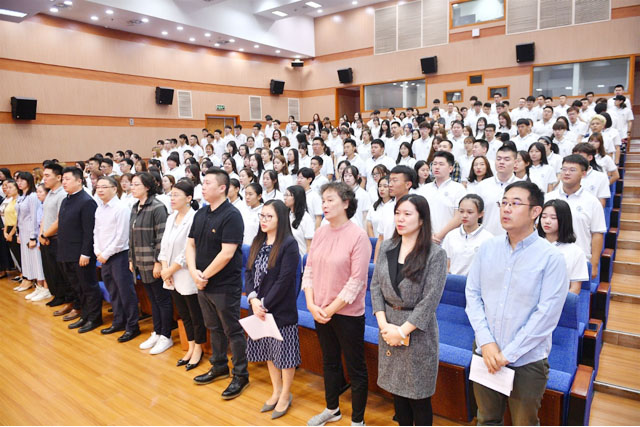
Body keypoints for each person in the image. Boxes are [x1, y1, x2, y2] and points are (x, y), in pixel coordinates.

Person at [466, 181, 568, 426]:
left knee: (524, 423)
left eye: (515, 203)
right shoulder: (488, 248)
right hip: (486, 351)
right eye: (504, 203)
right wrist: (486, 342)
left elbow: (546, 315)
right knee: (486, 419)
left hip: (527, 359)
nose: (506, 209)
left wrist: (507, 354)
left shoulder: (551, 258)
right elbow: (473, 295)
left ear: (535, 212)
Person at [370, 194, 447, 426]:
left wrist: (402, 332)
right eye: (397, 213)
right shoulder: (387, 246)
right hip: (388, 328)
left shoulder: (435, 254)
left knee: (418, 397)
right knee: (398, 396)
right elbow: (376, 286)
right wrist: (384, 325)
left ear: (422, 219)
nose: (400, 219)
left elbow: (430, 300)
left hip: (416, 332)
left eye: (407, 214)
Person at [303, 182, 371, 427]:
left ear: (346, 203)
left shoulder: (358, 236)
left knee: (355, 367)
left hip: (347, 313)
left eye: (330, 199)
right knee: (329, 362)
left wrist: (329, 309)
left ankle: (358, 420)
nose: (325, 204)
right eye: (323, 200)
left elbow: (357, 282)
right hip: (320, 310)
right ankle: (332, 409)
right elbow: (309, 270)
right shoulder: (321, 232)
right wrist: (311, 305)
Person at [187, 168, 249, 399]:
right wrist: (193, 272)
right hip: (202, 281)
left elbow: (227, 253)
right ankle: (219, 365)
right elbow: (190, 244)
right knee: (213, 326)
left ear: (222, 188)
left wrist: (203, 276)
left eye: (208, 183)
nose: (202, 187)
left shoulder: (232, 215)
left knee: (232, 329)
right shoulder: (201, 213)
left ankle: (241, 374)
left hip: (224, 284)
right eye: (202, 183)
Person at [245, 200, 300, 419]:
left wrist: (264, 304)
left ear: (281, 219)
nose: (264, 220)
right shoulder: (258, 240)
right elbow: (248, 272)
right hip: (258, 307)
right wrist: (253, 300)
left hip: (280, 309)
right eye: (262, 216)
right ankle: (276, 390)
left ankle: (285, 394)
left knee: (285, 355)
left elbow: (284, 280)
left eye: (269, 217)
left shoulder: (289, 244)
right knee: (269, 351)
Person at [157, 179, 206, 369]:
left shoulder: (194, 218)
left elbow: (188, 250)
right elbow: (164, 245)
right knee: (184, 314)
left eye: (176, 195)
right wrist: (165, 269)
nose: (172, 198)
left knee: (195, 315)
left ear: (188, 198)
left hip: (186, 273)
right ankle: (191, 346)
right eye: (171, 195)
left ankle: (199, 348)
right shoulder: (171, 217)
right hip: (171, 274)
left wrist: (170, 270)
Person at [93, 176, 141, 342]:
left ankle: (132, 326)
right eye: (98, 187)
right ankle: (119, 321)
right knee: (113, 290)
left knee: (125, 292)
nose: (100, 190)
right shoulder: (99, 208)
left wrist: (105, 254)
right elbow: (96, 232)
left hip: (119, 255)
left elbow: (122, 237)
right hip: (103, 255)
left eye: (104, 187)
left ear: (114, 189)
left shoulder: (121, 208)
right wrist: (98, 251)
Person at [129, 172, 172, 354]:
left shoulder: (157, 207)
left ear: (147, 187)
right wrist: (131, 258)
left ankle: (166, 335)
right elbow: (131, 236)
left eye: (136, 184)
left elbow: (161, 238)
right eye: (131, 184)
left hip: (153, 262)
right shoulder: (135, 207)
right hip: (139, 261)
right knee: (152, 300)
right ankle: (157, 331)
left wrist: (158, 262)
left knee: (162, 299)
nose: (132, 187)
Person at [546, 155, 605, 279]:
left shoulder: (592, 202)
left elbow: (597, 234)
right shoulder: (549, 198)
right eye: (564, 169)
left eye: (572, 170)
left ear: (583, 174)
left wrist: (594, 264)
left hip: (579, 260)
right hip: (548, 257)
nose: (567, 173)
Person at [58, 167, 102, 333]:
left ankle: (94, 318)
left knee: (88, 286)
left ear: (79, 181)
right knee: (77, 287)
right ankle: (85, 314)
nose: (64, 182)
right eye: (63, 179)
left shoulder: (86, 201)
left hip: (81, 254)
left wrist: (85, 253)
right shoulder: (66, 200)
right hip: (67, 252)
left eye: (67, 179)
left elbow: (89, 231)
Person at [38, 163, 72, 307]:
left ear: (58, 177)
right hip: (45, 238)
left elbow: (59, 219)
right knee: (50, 270)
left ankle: (66, 298)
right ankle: (57, 295)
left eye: (47, 176)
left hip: (56, 238)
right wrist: (41, 235)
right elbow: (44, 216)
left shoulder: (62, 194)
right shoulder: (50, 193)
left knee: (60, 271)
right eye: (43, 176)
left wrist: (46, 235)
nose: (44, 179)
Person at [538, 199, 588, 295]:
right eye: (543, 217)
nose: (547, 221)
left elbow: (575, 289)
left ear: (564, 220)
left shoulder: (576, 252)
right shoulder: (531, 245)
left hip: (558, 301)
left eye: (553, 218)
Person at [417, 151, 466, 243]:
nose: (437, 167)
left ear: (450, 169)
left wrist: (439, 236)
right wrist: (427, 235)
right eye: (434, 164)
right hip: (426, 238)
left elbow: (458, 217)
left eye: (441, 164)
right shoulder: (424, 189)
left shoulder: (458, 189)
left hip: (450, 240)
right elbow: (418, 214)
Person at [474, 144, 522, 235]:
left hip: (514, 237)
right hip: (487, 236)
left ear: (515, 163)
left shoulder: (522, 187)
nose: (501, 162)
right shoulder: (482, 185)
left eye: (506, 159)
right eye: (498, 159)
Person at [442, 195, 493, 275]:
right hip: (452, 280)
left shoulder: (488, 239)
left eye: (470, 212)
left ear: (480, 214)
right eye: (461, 211)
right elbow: (446, 265)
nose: (465, 215)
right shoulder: (451, 236)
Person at [15, 172, 46, 293]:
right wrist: (18, 233)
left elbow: (34, 217)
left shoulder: (33, 196)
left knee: (35, 258)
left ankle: (40, 285)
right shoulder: (21, 196)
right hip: (22, 231)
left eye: (22, 180)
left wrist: (33, 237)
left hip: (31, 231)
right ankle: (28, 279)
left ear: (29, 181)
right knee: (26, 258)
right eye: (18, 181)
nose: (19, 183)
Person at [284, 185, 314, 257]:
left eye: (288, 195)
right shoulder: (286, 214)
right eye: (285, 195)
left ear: (296, 197)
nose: (285, 198)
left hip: (300, 257)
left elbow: (309, 245)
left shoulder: (306, 218)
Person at [3, 180, 22, 286]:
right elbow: (6, 217)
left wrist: (11, 233)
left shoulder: (19, 201)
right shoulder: (10, 201)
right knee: (15, 253)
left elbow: (18, 220)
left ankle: (24, 274)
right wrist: (5, 231)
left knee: (19, 253)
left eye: (10, 187)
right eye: (7, 187)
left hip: (15, 229)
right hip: (8, 228)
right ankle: (21, 273)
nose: (8, 189)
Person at [342, 166, 370, 230]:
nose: (347, 178)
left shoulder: (364, 194)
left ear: (357, 177)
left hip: (359, 228)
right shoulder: (341, 193)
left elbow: (365, 217)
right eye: (345, 176)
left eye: (350, 176)